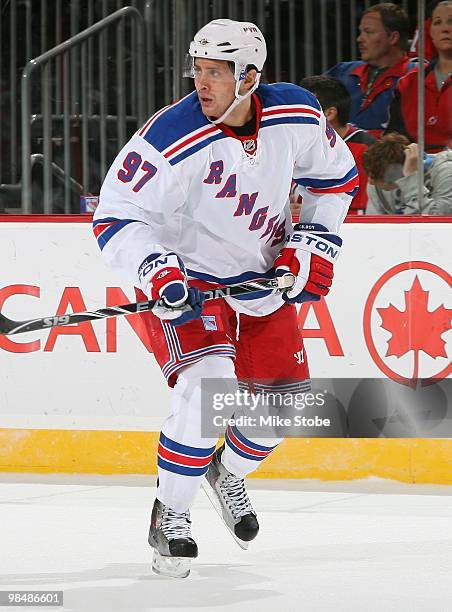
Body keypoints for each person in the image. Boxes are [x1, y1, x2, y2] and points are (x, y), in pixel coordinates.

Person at [93, 18, 357, 577]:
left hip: (260, 282)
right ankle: (172, 513)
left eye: (216, 72)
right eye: (199, 70)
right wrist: (157, 269)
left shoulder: (298, 113)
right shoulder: (170, 136)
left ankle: (225, 472)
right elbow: (115, 216)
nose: (202, 83)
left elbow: (335, 178)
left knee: (280, 411)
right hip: (187, 287)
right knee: (205, 391)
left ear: (250, 76)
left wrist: (311, 247)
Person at [326, 3, 412, 138]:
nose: (359, 39)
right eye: (361, 32)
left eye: (369, 32)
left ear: (393, 38)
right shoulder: (343, 71)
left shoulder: (414, 77)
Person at [299, 75, 377, 214]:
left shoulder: (366, 150)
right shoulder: (294, 142)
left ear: (329, 113)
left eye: (304, 109)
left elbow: (358, 213)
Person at [385, 1, 452, 152]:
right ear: (431, 32)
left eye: (451, 21)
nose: (445, 28)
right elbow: (395, 138)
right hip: (414, 168)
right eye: (438, 22)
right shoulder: (409, 83)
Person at [362, 132, 452, 214]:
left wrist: (411, 179)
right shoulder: (377, 180)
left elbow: (438, 222)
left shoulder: (445, 171)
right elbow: (374, 225)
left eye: (374, 177)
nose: (370, 181)